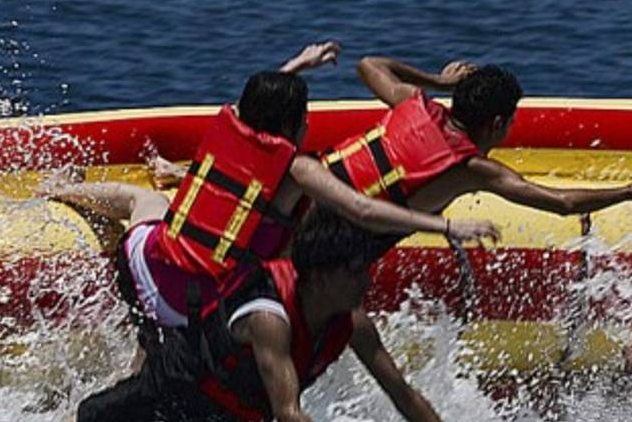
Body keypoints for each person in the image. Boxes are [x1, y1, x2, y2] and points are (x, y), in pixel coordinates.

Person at [64, 42, 500, 350]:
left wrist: (297, 64)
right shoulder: (296, 169)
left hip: (146, 264)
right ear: (295, 128)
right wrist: (446, 224)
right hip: (195, 306)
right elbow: (362, 209)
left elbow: (254, 103)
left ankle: (60, 189)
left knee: (143, 201)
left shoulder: (231, 126)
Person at [0, 209, 464, 422]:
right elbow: (288, 414)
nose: (366, 279)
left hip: (219, 418)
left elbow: (402, 393)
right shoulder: (270, 317)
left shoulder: (353, 320)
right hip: (168, 390)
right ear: (322, 273)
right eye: (355, 270)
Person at [317, 54, 632, 264]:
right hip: (337, 238)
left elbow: (368, 65)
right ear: (497, 123)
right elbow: (562, 203)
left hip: (307, 189)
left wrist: (440, 83)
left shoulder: (413, 103)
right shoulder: (474, 169)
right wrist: (629, 191)